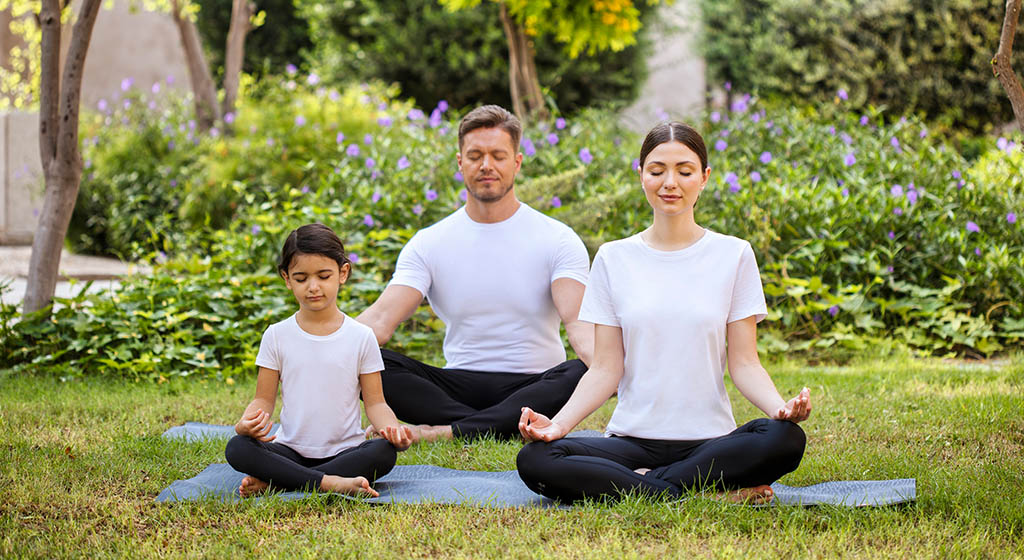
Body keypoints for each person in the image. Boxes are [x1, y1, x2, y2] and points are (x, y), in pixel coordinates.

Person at [515, 122, 811, 504]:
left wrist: (780, 408)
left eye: (684, 171)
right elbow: (606, 368)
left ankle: (644, 485)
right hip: (631, 442)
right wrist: (557, 426)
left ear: (704, 178)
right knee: (536, 459)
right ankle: (702, 494)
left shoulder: (734, 254)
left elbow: (745, 363)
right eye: (657, 171)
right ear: (641, 176)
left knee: (785, 438)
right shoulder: (613, 257)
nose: (670, 182)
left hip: (712, 444)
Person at [356, 105, 592, 443]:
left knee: (579, 370)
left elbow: (579, 325)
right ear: (460, 162)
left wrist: (607, 368)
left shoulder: (557, 238)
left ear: (517, 162)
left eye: (498, 155)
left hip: (535, 385)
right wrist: (322, 344)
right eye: (475, 155)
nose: (486, 165)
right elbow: (380, 319)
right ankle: (495, 426)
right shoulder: (429, 242)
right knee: (367, 357)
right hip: (455, 388)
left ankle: (442, 433)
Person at [225, 223, 414, 498]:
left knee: (383, 451)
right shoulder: (276, 335)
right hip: (290, 451)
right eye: (301, 279)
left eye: (324, 276)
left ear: (343, 273)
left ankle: (283, 481)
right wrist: (245, 423)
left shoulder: (361, 337)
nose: (313, 287)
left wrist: (393, 430)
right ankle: (329, 483)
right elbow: (263, 400)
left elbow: (375, 403)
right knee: (237, 447)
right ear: (287, 278)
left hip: (346, 452)